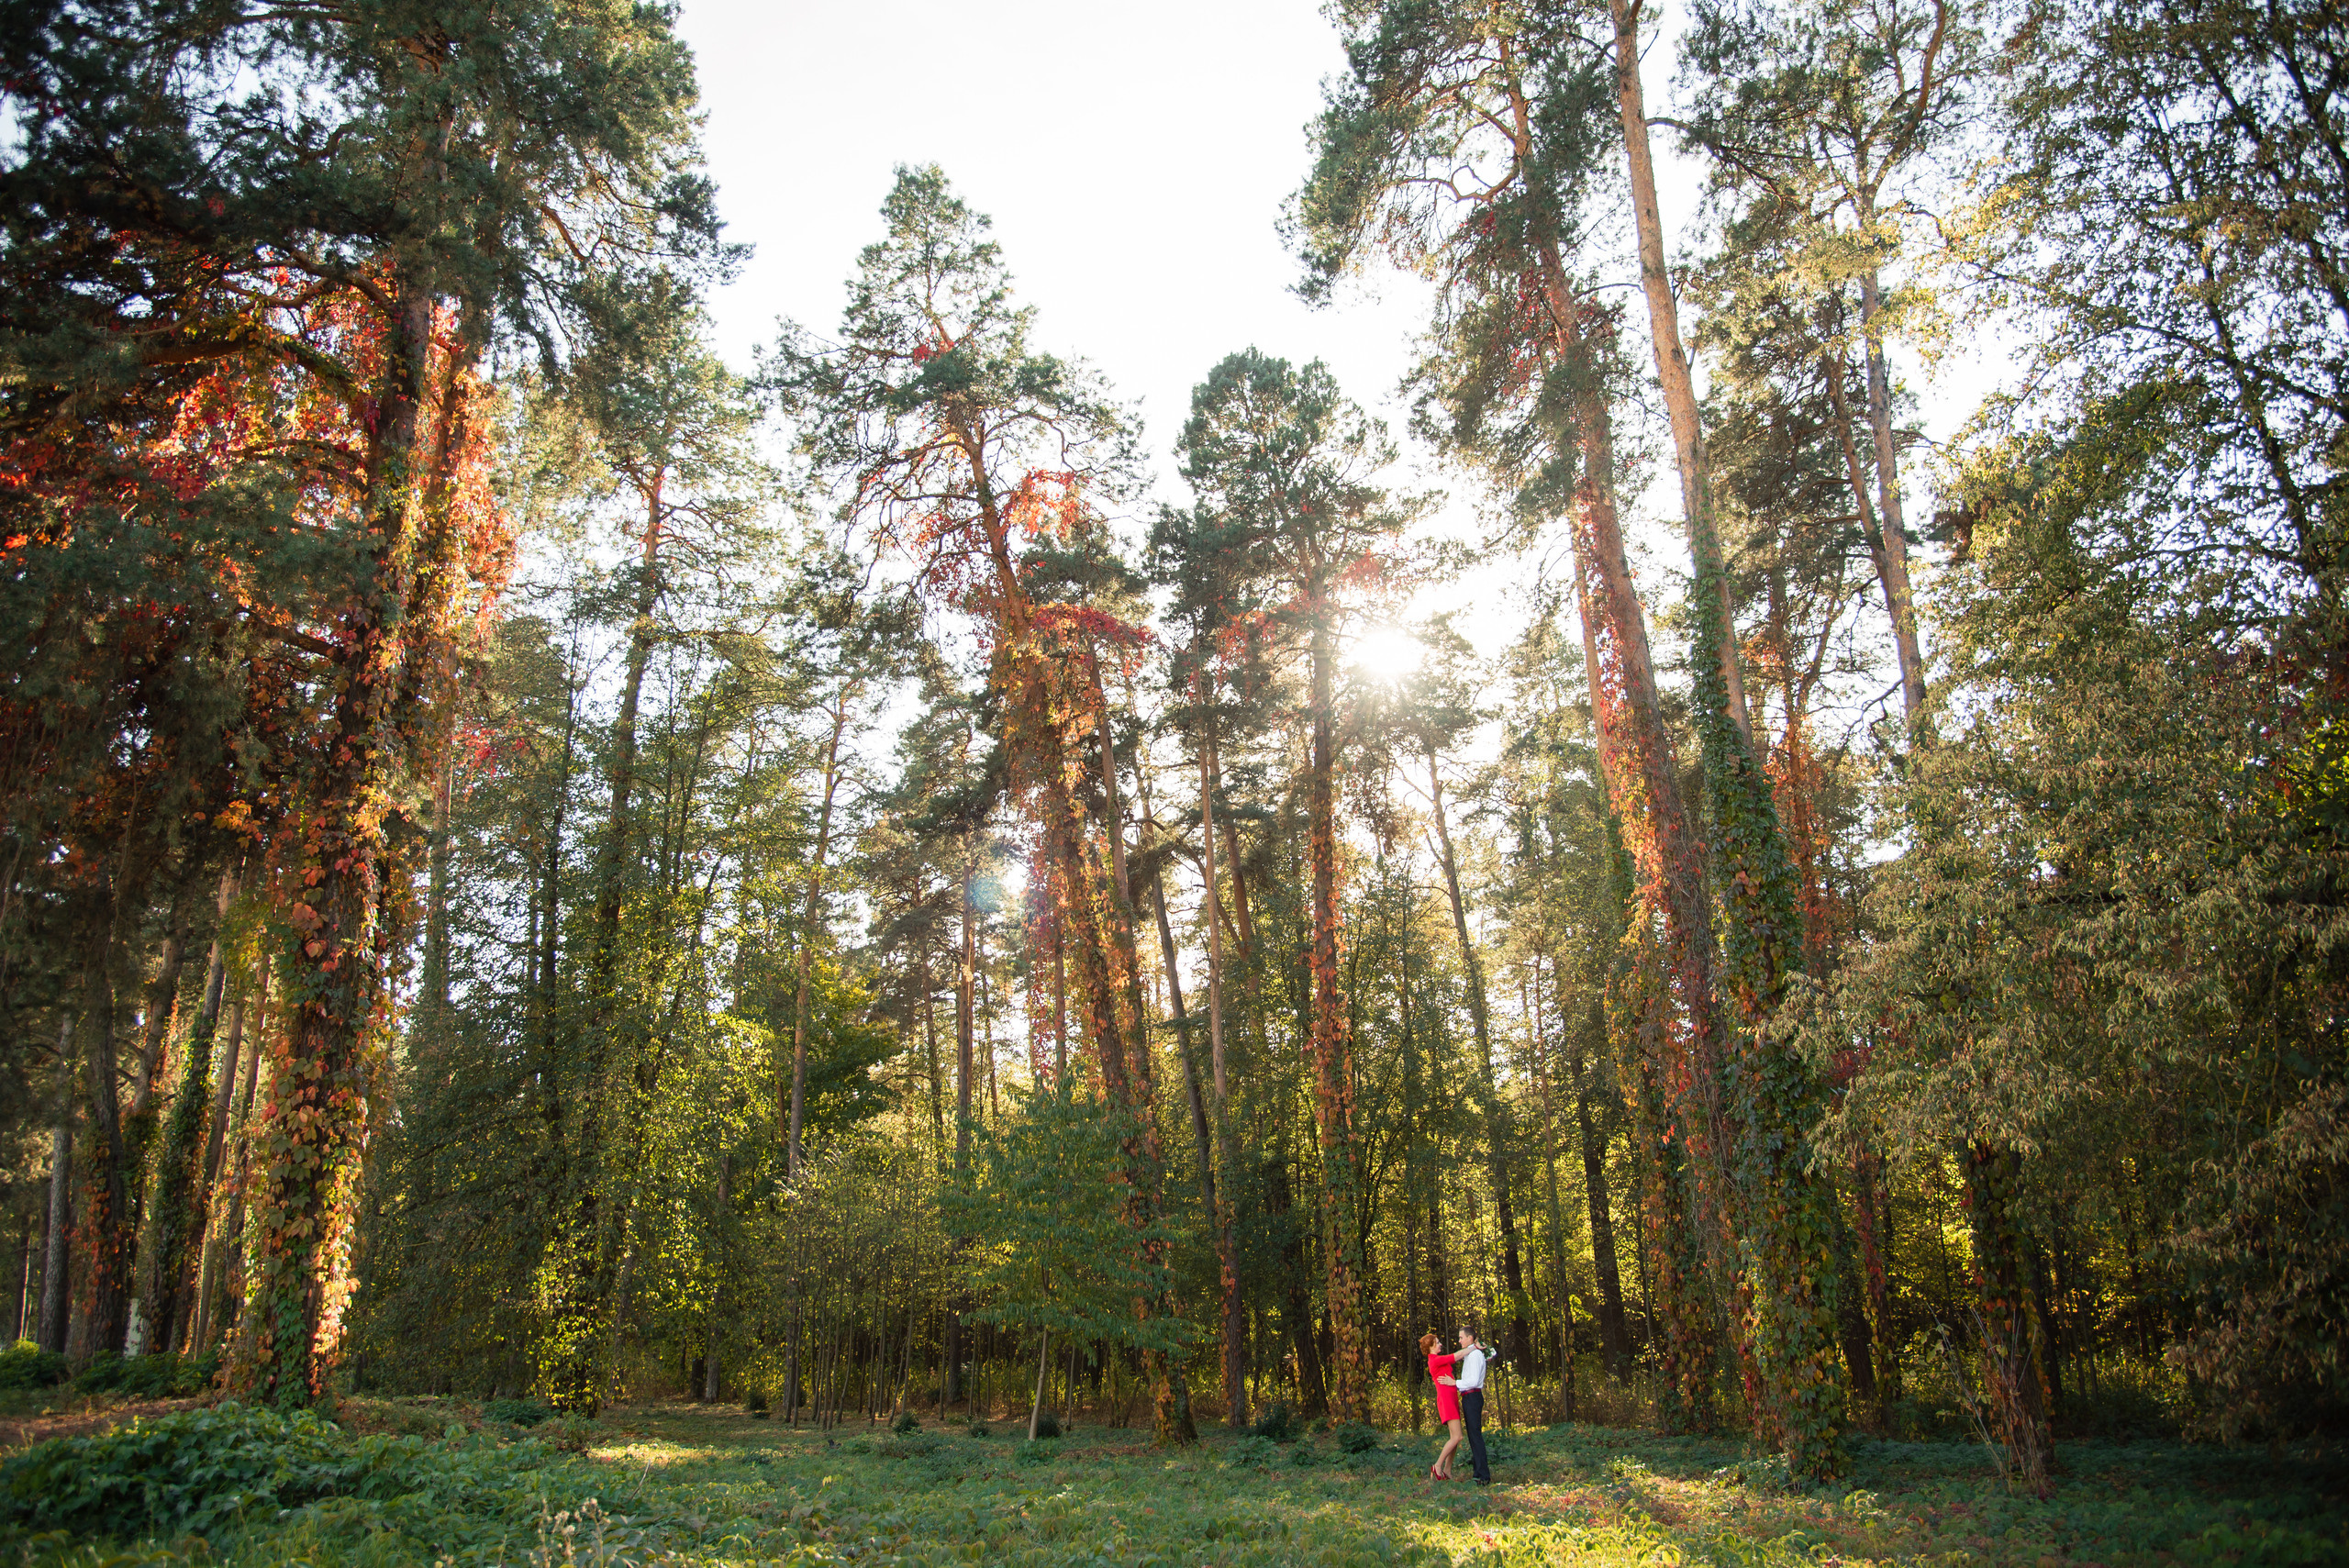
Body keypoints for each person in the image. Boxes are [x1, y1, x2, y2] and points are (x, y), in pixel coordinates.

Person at [1420, 1331, 1464, 1481]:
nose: (1440, 1344)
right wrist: (1473, 1347)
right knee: (1457, 1437)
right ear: (1431, 1346)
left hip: (1451, 1399)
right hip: (1446, 1400)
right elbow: (1456, 1356)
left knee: (1455, 1438)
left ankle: (1447, 1470)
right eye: (1437, 1342)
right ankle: (1438, 1466)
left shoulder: (1438, 1360)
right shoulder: (1434, 1360)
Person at [1455, 1326, 1492, 1485]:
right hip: (1468, 1397)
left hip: (1473, 1397)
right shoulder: (1471, 1354)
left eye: (1461, 1337)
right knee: (1473, 1435)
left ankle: (1483, 1475)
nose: (1459, 1341)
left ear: (1470, 1338)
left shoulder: (1476, 1355)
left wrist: (1454, 1383)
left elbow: (1474, 1381)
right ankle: (1478, 1472)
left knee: (1475, 1436)